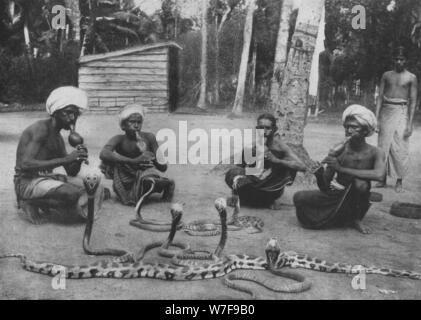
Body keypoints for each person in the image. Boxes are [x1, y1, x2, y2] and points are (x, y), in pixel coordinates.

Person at [14, 86, 106, 224]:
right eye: (68, 113)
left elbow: (71, 171)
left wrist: (79, 158)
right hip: (26, 182)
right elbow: (25, 164)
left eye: (75, 114)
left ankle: (68, 209)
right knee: (72, 194)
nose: (72, 118)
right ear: (55, 112)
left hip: (46, 178)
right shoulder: (40, 129)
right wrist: (66, 158)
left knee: (97, 187)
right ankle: (29, 202)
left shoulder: (57, 138)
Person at [293, 105, 386, 234]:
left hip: (356, 198)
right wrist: (320, 175)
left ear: (365, 131)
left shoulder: (376, 152)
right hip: (335, 194)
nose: (349, 130)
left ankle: (357, 219)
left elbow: (380, 175)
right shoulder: (339, 151)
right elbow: (325, 188)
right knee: (298, 197)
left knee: (361, 184)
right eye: (347, 127)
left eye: (354, 127)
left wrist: (341, 169)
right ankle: (341, 217)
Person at [225, 113, 306, 209]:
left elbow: (302, 167)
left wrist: (277, 161)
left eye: (267, 128)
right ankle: (246, 199)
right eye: (261, 128)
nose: (264, 131)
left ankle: (268, 201)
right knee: (233, 172)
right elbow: (238, 170)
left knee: (288, 167)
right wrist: (235, 194)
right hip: (254, 185)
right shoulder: (252, 146)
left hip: (271, 189)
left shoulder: (280, 147)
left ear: (274, 129)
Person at [99, 103, 174, 206]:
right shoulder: (119, 139)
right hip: (127, 174)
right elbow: (104, 153)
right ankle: (136, 189)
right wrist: (133, 161)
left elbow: (163, 167)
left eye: (139, 122)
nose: (136, 125)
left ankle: (166, 184)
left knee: (147, 181)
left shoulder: (149, 137)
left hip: (145, 173)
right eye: (132, 122)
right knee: (106, 163)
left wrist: (149, 155)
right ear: (123, 126)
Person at [375, 46, 418, 193]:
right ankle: (381, 178)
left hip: (402, 112)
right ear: (393, 60)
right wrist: (377, 118)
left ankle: (399, 180)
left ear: (406, 61)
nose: (399, 62)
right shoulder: (386, 75)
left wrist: (410, 124)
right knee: (383, 145)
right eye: (397, 59)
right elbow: (380, 97)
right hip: (386, 111)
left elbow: (413, 100)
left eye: (402, 59)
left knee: (400, 147)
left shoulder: (411, 77)